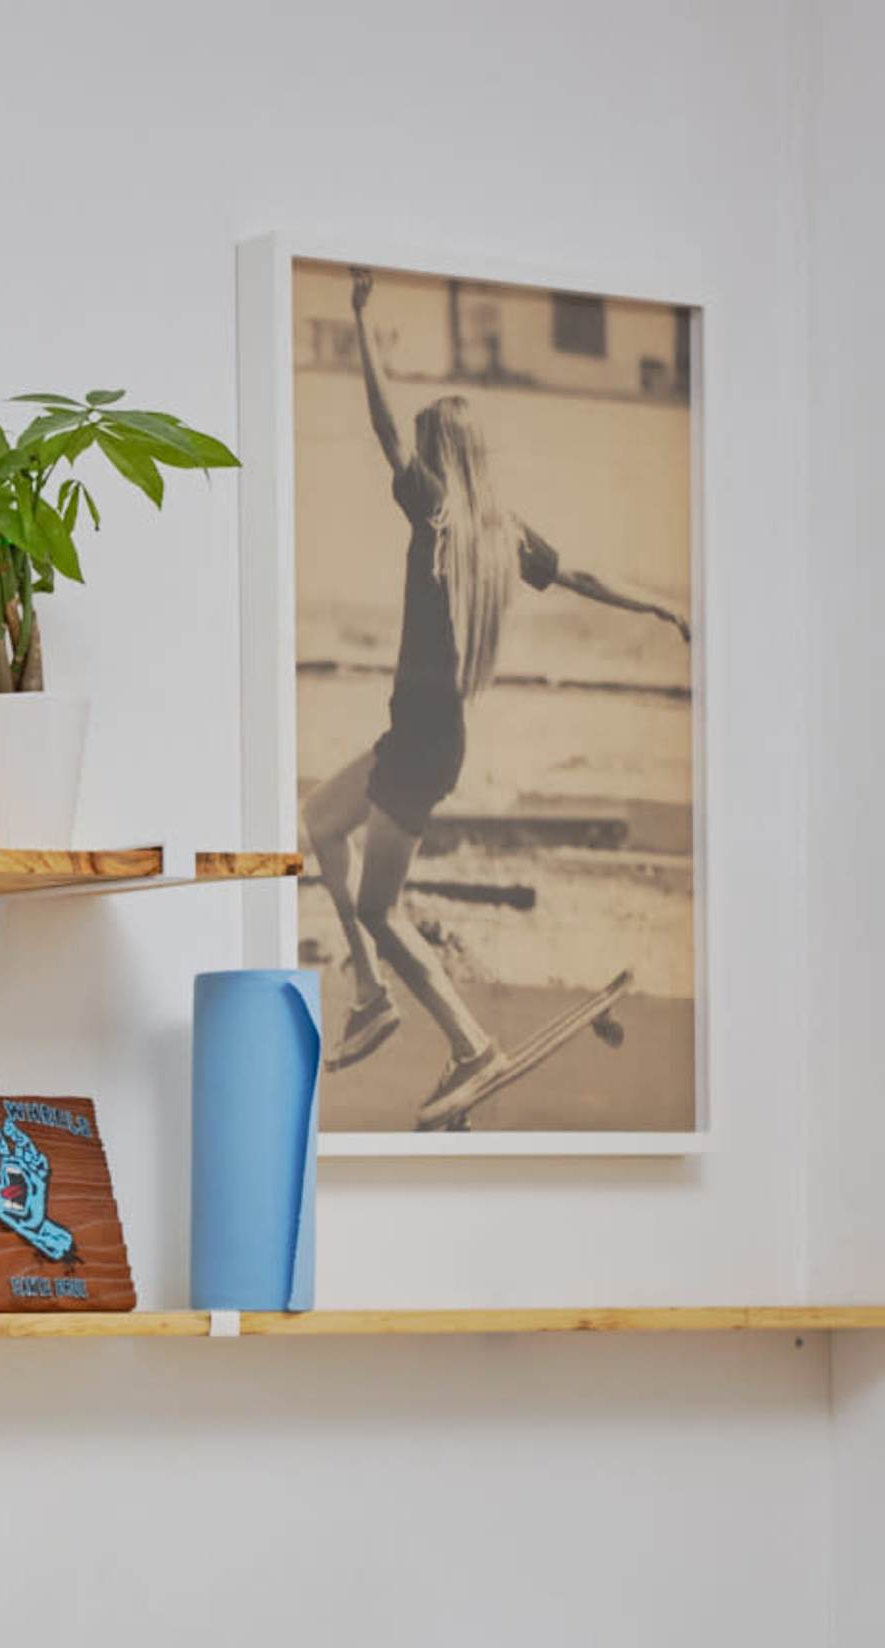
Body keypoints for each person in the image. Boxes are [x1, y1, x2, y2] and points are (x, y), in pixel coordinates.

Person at [302, 266, 690, 1123]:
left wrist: (361, 319)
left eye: (423, 444)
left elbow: (379, 427)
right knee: (321, 825)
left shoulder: (437, 512)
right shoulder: (500, 531)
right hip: (423, 738)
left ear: (441, 454)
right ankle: (369, 993)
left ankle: (470, 1042)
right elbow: (582, 574)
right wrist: (658, 603)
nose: (416, 452)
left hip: (419, 748)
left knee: (378, 906)